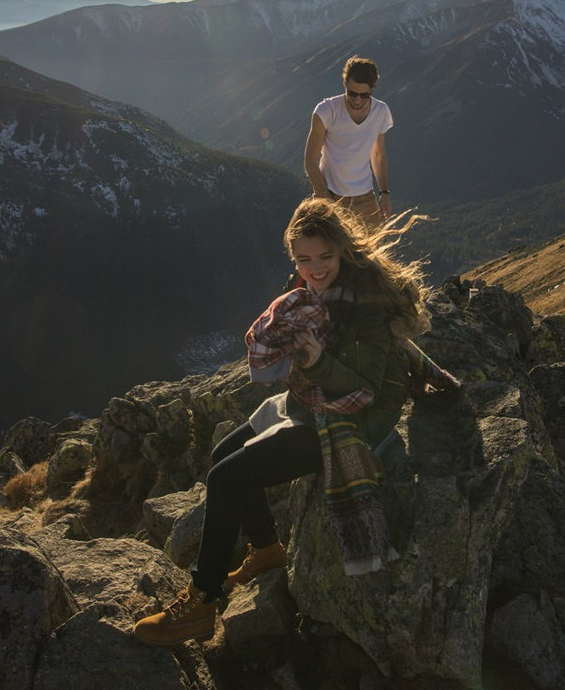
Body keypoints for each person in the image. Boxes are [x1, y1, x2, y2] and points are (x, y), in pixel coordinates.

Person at [133, 199, 461, 647]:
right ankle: (267, 549)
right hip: (313, 398)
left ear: (343, 249)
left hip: (353, 418)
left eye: (324, 257)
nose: (314, 268)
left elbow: (362, 389)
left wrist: (315, 359)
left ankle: (202, 602)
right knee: (221, 454)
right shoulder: (315, 287)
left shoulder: (366, 302)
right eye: (303, 260)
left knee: (225, 479)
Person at [304, 57, 393, 227]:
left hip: (366, 197)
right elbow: (310, 160)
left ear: (372, 90)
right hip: (330, 196)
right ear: (344, 84)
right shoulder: (326, 111)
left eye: (364, 95)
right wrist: (325, 200)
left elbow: (378, 153)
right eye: (352, 93)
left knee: (370, 253)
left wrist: (384, 193)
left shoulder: (381, 111)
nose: (357, 99)